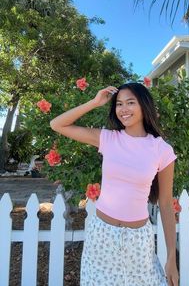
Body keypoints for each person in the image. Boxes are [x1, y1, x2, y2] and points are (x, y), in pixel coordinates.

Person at [50, 82, 179, 286]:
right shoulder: (108, 139)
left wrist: (171, 257)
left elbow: (165, 203)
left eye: (130, 102)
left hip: (138, 240)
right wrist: (94, 102)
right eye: (119, 104)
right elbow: (57, 124)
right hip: (101, 235)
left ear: (144, 105)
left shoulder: (161, 149)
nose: (123, 109)